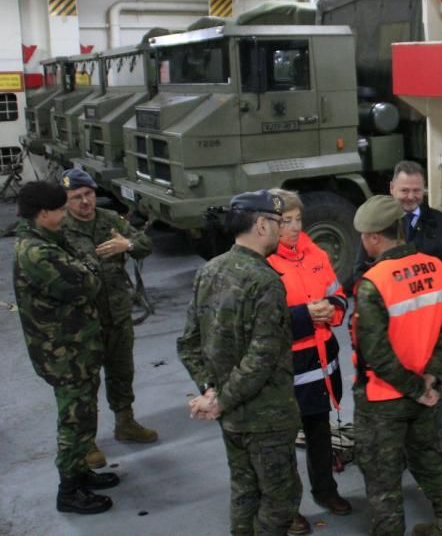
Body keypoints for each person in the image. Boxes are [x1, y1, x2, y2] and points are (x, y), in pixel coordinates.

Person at [177, 190, 305, 536]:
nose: (282, 231)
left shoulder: (209, 271)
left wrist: (211, 391)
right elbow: (261, 358)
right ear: (262, 224)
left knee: (244, 491)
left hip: (231, 418)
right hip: (267, 418)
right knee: (281, 500)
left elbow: (188, 343)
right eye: (279, 223)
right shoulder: (264, 282)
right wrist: (220, 399)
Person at [350, 195, 442, 536]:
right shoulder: (437, 268)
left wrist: (414, 387)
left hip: (384, 399)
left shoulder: (374, 283)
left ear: (373, 237)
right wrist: (429, 379)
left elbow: (375, 353)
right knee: (428, 458)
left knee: (383, 476)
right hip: (428, 391)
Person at [13, 180, 119, 515]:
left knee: (84, 414)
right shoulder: (37, 252)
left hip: (76, 348)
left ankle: (79, 472)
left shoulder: (48, 240)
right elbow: (85, 284)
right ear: (44, 214)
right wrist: (89, 267)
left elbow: (83, 272)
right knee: (74, 420)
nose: (65, 214)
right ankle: (69, 491)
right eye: (60, 209)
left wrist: (85, 267)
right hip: (63, 353)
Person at [60, 168, 157, 470]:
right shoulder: (60, 228)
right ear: (65, 201)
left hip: (116, 313)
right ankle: (86, 440)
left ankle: (125, 422)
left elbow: (145, 245)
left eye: (88, 194)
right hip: (83, 321)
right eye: (76, 197)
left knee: (121, 370)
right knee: (85, 381)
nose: (85, 201)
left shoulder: (110, 219)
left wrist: (125, 245)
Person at [266, 188, 353, 521]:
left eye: (297, 219)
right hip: (285, 363)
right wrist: (305, 316)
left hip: (320, 360)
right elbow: (262, 323)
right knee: (281, 441)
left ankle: (326, 491)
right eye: (284, 220)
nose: (292, 227)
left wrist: (330, 310)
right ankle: (287, 509)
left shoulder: (315, 253)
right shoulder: (264, 261)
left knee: (319, 431)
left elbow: (338, 294)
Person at [349, 160, 442, 295]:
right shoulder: (378, 223)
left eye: (416, 190)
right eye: (404, 190)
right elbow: (360, 271)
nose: (411, 197)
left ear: (424, 189)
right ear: (392, 188)